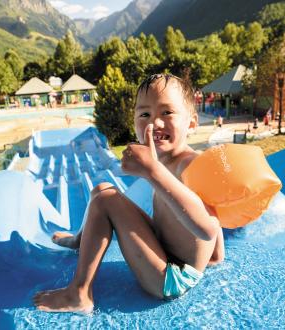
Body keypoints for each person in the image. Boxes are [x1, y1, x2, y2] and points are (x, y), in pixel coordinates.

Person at [33, 73, 225, 313]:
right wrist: (216, 256)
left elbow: (208, 226)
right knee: (102, 189)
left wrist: (152, 170)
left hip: (172, 278)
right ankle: (79, 241)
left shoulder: (190, 165)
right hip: (164, 252)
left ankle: (79, 294)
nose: (155, 123)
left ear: (192, 124)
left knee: (106, 200)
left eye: (167, 112)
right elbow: (215, 212)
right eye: (145, 114)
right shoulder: (167, 161)